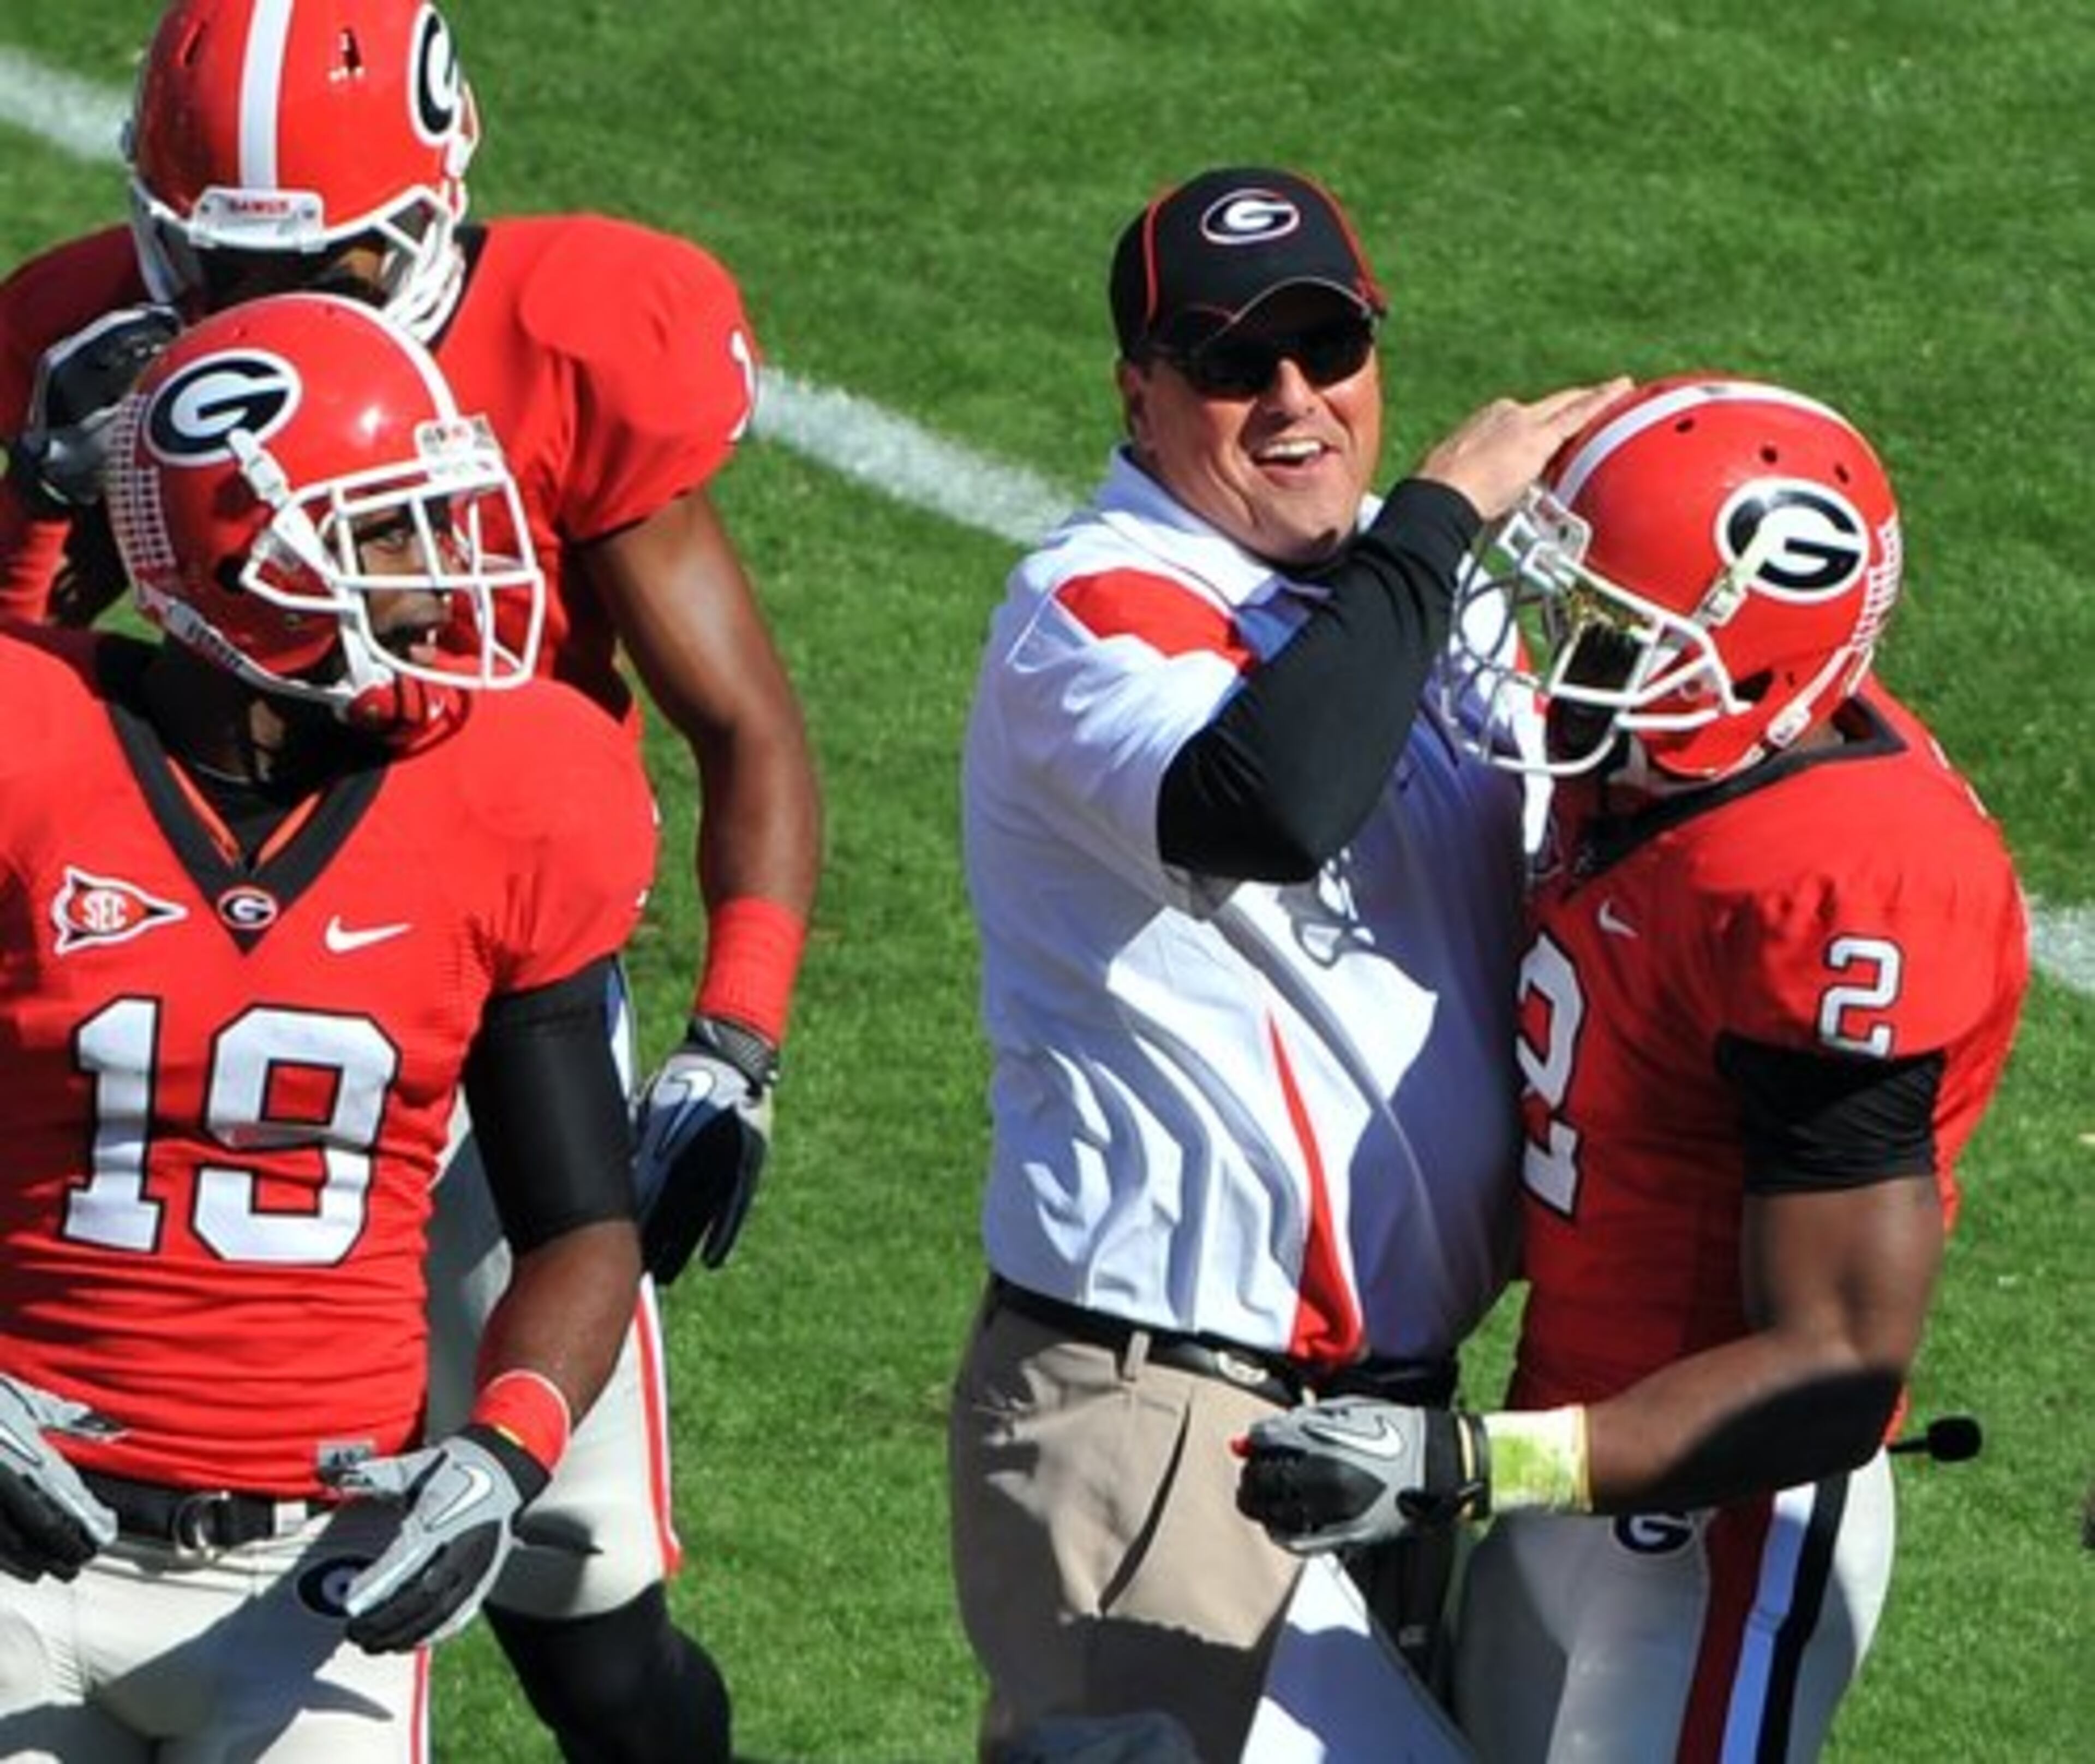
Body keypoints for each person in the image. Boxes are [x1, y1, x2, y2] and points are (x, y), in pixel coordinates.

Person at [0, 4, 824, 1756]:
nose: (252, 295)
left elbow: (743, 724)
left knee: (578, 1601)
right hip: (132, 1001)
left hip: (468, 991)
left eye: (326, 258)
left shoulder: (567, 344)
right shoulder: (82, 342)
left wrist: (729, 1038)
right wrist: (35, 504)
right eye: (213, 256)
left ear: (438, 215)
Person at [1236, 376, 2031, 1761]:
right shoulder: (1665, 765)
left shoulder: (1841, 882)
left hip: (1732, 1511)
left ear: (1762, 658)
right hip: (1567, 1447)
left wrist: (1480, 1464)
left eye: (1616, 631)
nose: (1566, 659)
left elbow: (1835, 1359)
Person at [947, 160, 1630, 1763]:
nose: (1295, 398)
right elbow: (1262, 801)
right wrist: (1441, 526)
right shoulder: (1090, 607)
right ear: (1139, 389)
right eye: (1233, 363)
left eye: (1328, 346)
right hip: (1171, 1425)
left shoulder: (1435, 610)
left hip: (1396, 1423)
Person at [0, 290, 655, 1759]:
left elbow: (581, 1221)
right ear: (233, 560)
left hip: (311, 1571)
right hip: (18, 1538)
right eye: (387, 533)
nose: (442, 578)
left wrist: (503, 1453)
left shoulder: (515, 791)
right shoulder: (32, 745)